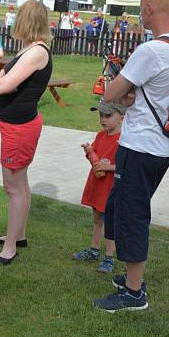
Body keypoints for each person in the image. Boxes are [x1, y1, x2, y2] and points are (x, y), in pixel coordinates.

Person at [94, 0, 169, 312]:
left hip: (141, 146)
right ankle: (131, 278)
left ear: (149, 8)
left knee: (132, 214)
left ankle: (134, 293)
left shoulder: (151, 50)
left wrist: (120, 92)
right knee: (121, 207)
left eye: (141, 8)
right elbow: (154, 93)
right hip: (162, 145)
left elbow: (109, 93)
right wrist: (130, 95)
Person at [0, 0, 53, 264]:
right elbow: (2, 78)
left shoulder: (37, 52)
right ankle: (18, 235)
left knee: (13, 187)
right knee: (20, 184)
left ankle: (11, 246)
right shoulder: (30, 49)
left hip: (20, 128)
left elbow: (3, 86)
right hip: (16, 126)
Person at [73, 100, 125, 274]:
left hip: (110, 188)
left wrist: (107, 167)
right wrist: (89, 151)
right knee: (97, 219)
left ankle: (109, 257)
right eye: (101, 115)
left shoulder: (125, 140)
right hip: (97, 184)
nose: (103, 119)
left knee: (110, 222)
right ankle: (94, 250)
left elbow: (126, 166)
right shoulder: (101, 135)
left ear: (122, 117)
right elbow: (95, 159)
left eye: (108, 115)